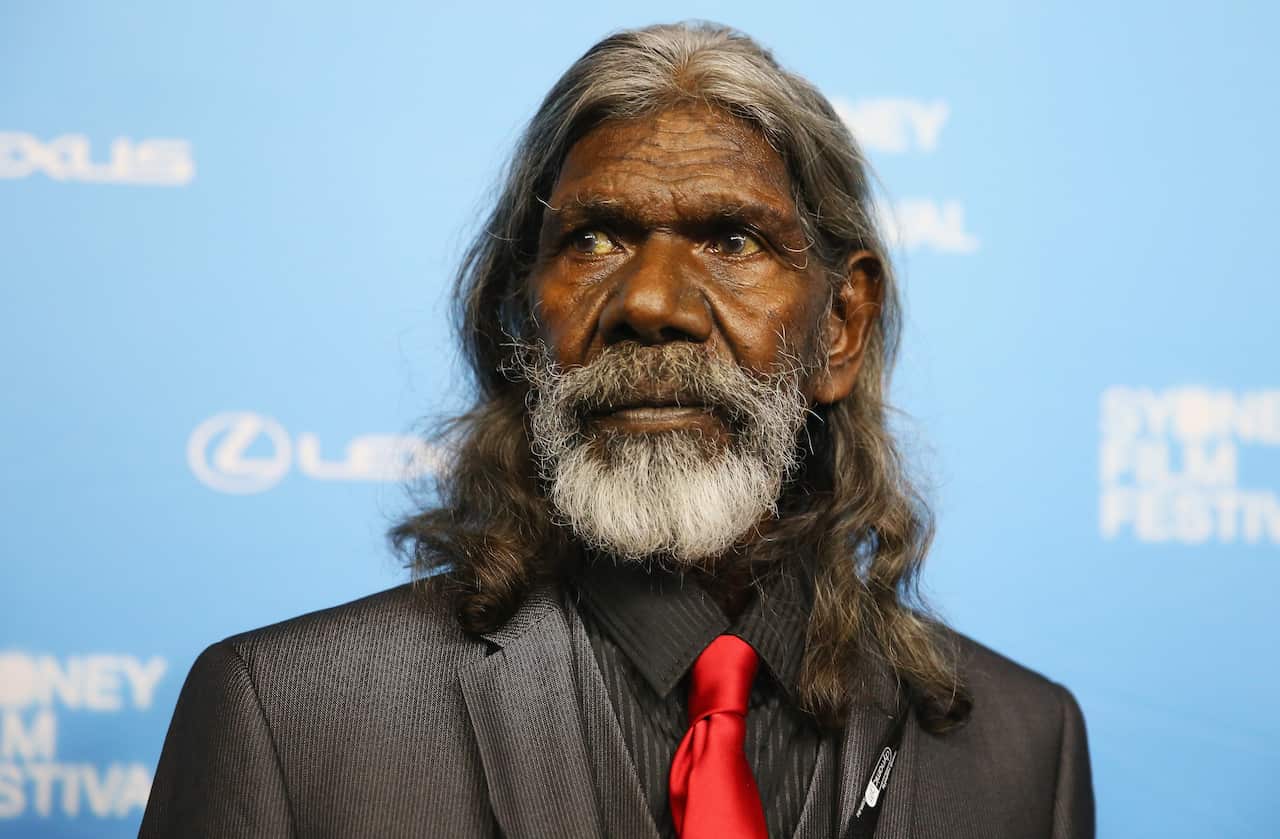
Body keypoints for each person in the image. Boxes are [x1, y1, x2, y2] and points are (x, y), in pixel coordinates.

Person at [141, 22, 1094, 839]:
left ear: (839, 329)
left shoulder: (1021, 747)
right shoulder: (290, 718)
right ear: (522, 319)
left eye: (732, 239)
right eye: (593, 238)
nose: (648, 302)